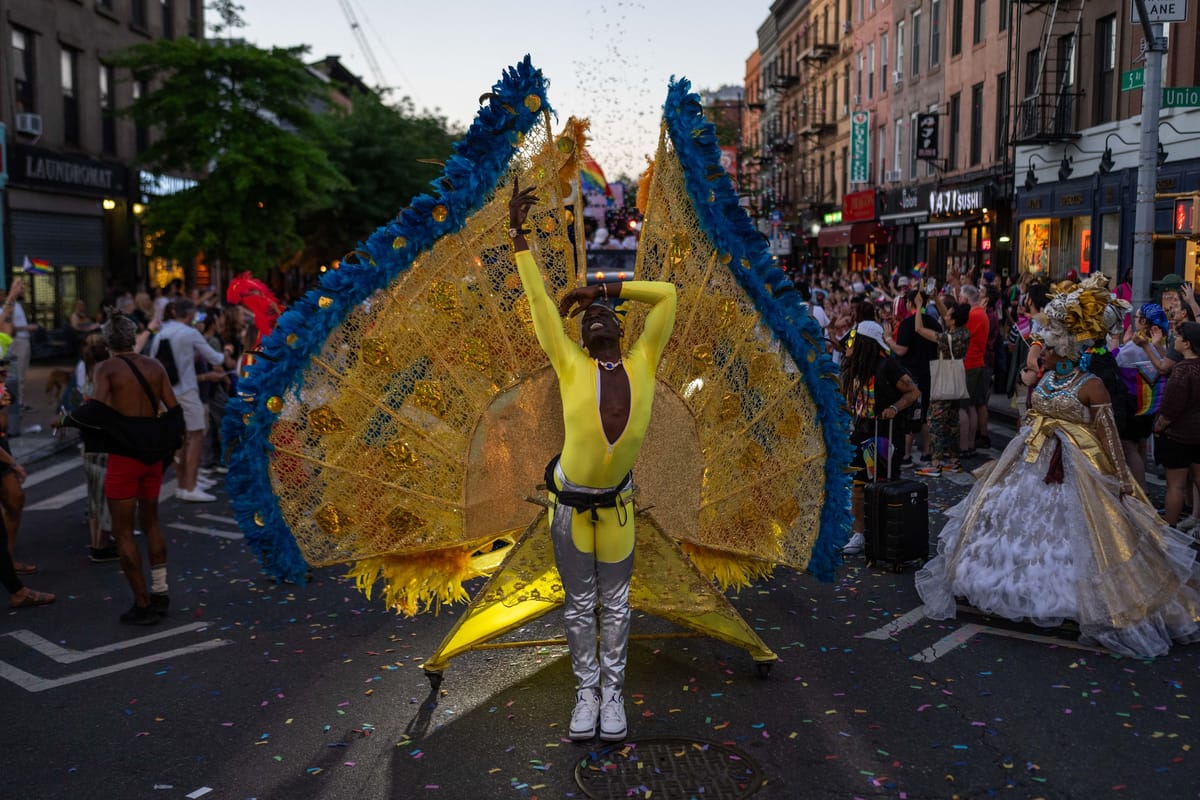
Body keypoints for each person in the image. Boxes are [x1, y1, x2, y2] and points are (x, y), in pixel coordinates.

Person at [916, 280, 1200, 658]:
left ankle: (1074, 602)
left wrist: (1120, 478)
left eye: (1047, 346)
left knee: (1080, 538)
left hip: (1076, 467)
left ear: (1064, 350)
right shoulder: (1048, 378)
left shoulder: (1092, 385)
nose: (1040, 352)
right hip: (1033, 461)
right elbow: (1033, 413)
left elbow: (1110, 435)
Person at [510, 178, 677, 742]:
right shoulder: (571, 366)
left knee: (618, 605)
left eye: (605, 316)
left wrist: (601, 289)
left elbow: (669, 296)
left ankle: (612, 694)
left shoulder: (643, 362)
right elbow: (538, 305)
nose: (596, 320)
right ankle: (585, 693)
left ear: (621, 329)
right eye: (587, 320)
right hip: (570, 507)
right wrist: (519, 240)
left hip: (617, 507)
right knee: (580, 607)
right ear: (579, 338)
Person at [58, 315, 182, 624]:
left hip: (124, 456)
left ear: (108, 342)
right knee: (151, 522)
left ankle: (142, 603)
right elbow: (174, 409)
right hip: (152, 454)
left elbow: (96, 408)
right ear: (133, 336)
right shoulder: (155, 367)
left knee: (122, 531)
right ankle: (160, 591)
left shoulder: (106, 368)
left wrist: (64, 419)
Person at [840, 320, 921, 556]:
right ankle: (860, 534)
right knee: (858, 484)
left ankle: (884, 532)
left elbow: (913, 391)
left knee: (883, 483)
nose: (850, 343)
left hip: (884, 435)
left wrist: (894, 409)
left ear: (865, 344)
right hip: (861, 433)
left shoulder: (888, 366)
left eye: (855, 340)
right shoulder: (853, 368)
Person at [150, 298, 234, 502]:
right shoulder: (189, 333)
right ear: (188, 315)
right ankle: (190, 486)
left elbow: (152, 361)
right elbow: (215, 358)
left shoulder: (161, 332)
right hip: (187, 390)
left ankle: (182, 484)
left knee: (180, 440)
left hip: (168, 392)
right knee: (196, 436)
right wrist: (228, 353)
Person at [1115, 303, 1172, 493]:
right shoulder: (1162, 343)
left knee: (1129, 447)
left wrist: (1118, 343)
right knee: (1140, 444)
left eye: (1138, 316)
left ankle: (1141, 490)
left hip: (1134, 403)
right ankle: (1143, 488)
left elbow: (1116, 363)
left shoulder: (1135, 346)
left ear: (1143, 321)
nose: (1135, 320)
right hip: (1151, 404)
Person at [913, 297, 969, 477]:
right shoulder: (963, 333)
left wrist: (919, 307)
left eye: (949, 316)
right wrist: (936, 299)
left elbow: (919, 329)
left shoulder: (946, 338)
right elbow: (947, 315)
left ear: (953, 321)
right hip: (956, 383)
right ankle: (954, 461)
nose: (945, 317)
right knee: (952, 422)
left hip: (944, 384)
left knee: (934, 421)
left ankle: (935, 463)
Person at [75, 332, 118, 562]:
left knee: (93, 496)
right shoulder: (106, 374)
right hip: (104, 441)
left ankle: (96, 542)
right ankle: (102, 544)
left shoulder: (86, 373)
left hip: (88, 440)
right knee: (105, 496)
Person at [1153, 322, 1200, 529]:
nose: (1175, 341)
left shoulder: (1182, 371)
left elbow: (1171, 408)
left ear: (1187, 344)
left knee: (1176, 485)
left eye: (1178, 338)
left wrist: (1159, 426)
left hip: (1179, 436)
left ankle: (1169, 527)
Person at [891, 289, 942, 467]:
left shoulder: (907, 324)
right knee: (926, 413)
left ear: (911, 303)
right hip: (930, 372)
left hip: (911, 375)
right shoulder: (934, 323)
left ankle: (906, 455)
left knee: (910, 413)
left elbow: (901, 350)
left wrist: (888, 339)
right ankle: (927, 452)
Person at [958, 284, 988, 455]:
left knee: (963, 406)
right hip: (976, 363)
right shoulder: (981, 313)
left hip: (969, 364)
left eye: (961, 298)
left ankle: (965, 445)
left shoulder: (974, 315)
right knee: (972, 406)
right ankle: (970, 444)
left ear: (966, 299)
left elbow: (960, 332)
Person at [6, 280, 38, 412]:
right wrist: (28, 327)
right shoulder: (10, 305)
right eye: (20, 285)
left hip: (24, 341)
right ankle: (17, 404)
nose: (23, 288)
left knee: (22, 375)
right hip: (18, 342)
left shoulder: (18, 305)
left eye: (23, 285)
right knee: (17, 374)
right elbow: (9, 328)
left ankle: (20, 402)